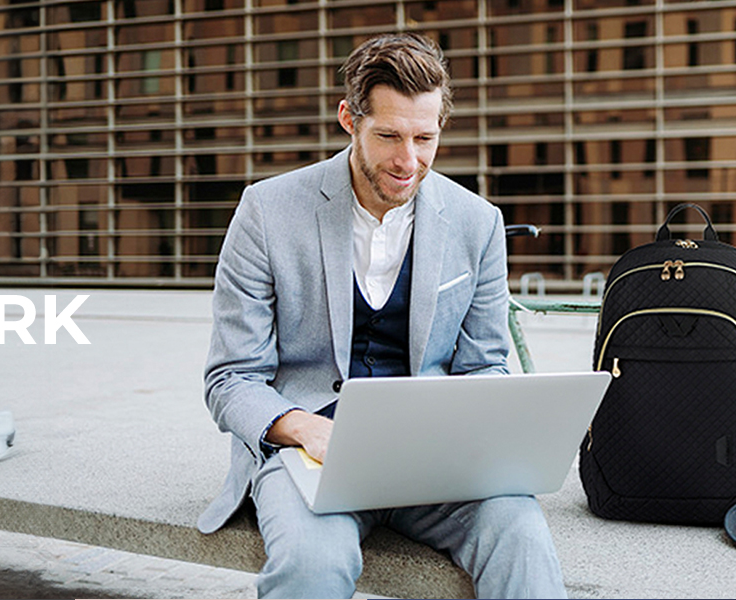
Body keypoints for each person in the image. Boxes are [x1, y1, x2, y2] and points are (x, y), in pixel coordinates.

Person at [198, 33, 566, 599]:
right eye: (389, 136)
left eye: (426, 139)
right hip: (308, 450)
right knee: (312, 567)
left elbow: (485, 365)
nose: (408, 161)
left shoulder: (478, 223)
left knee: (522, 535)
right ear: (349, 119)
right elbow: (230, 379)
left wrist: (511, 426)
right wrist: (305, 428)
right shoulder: (267, 212)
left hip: (435, 456)